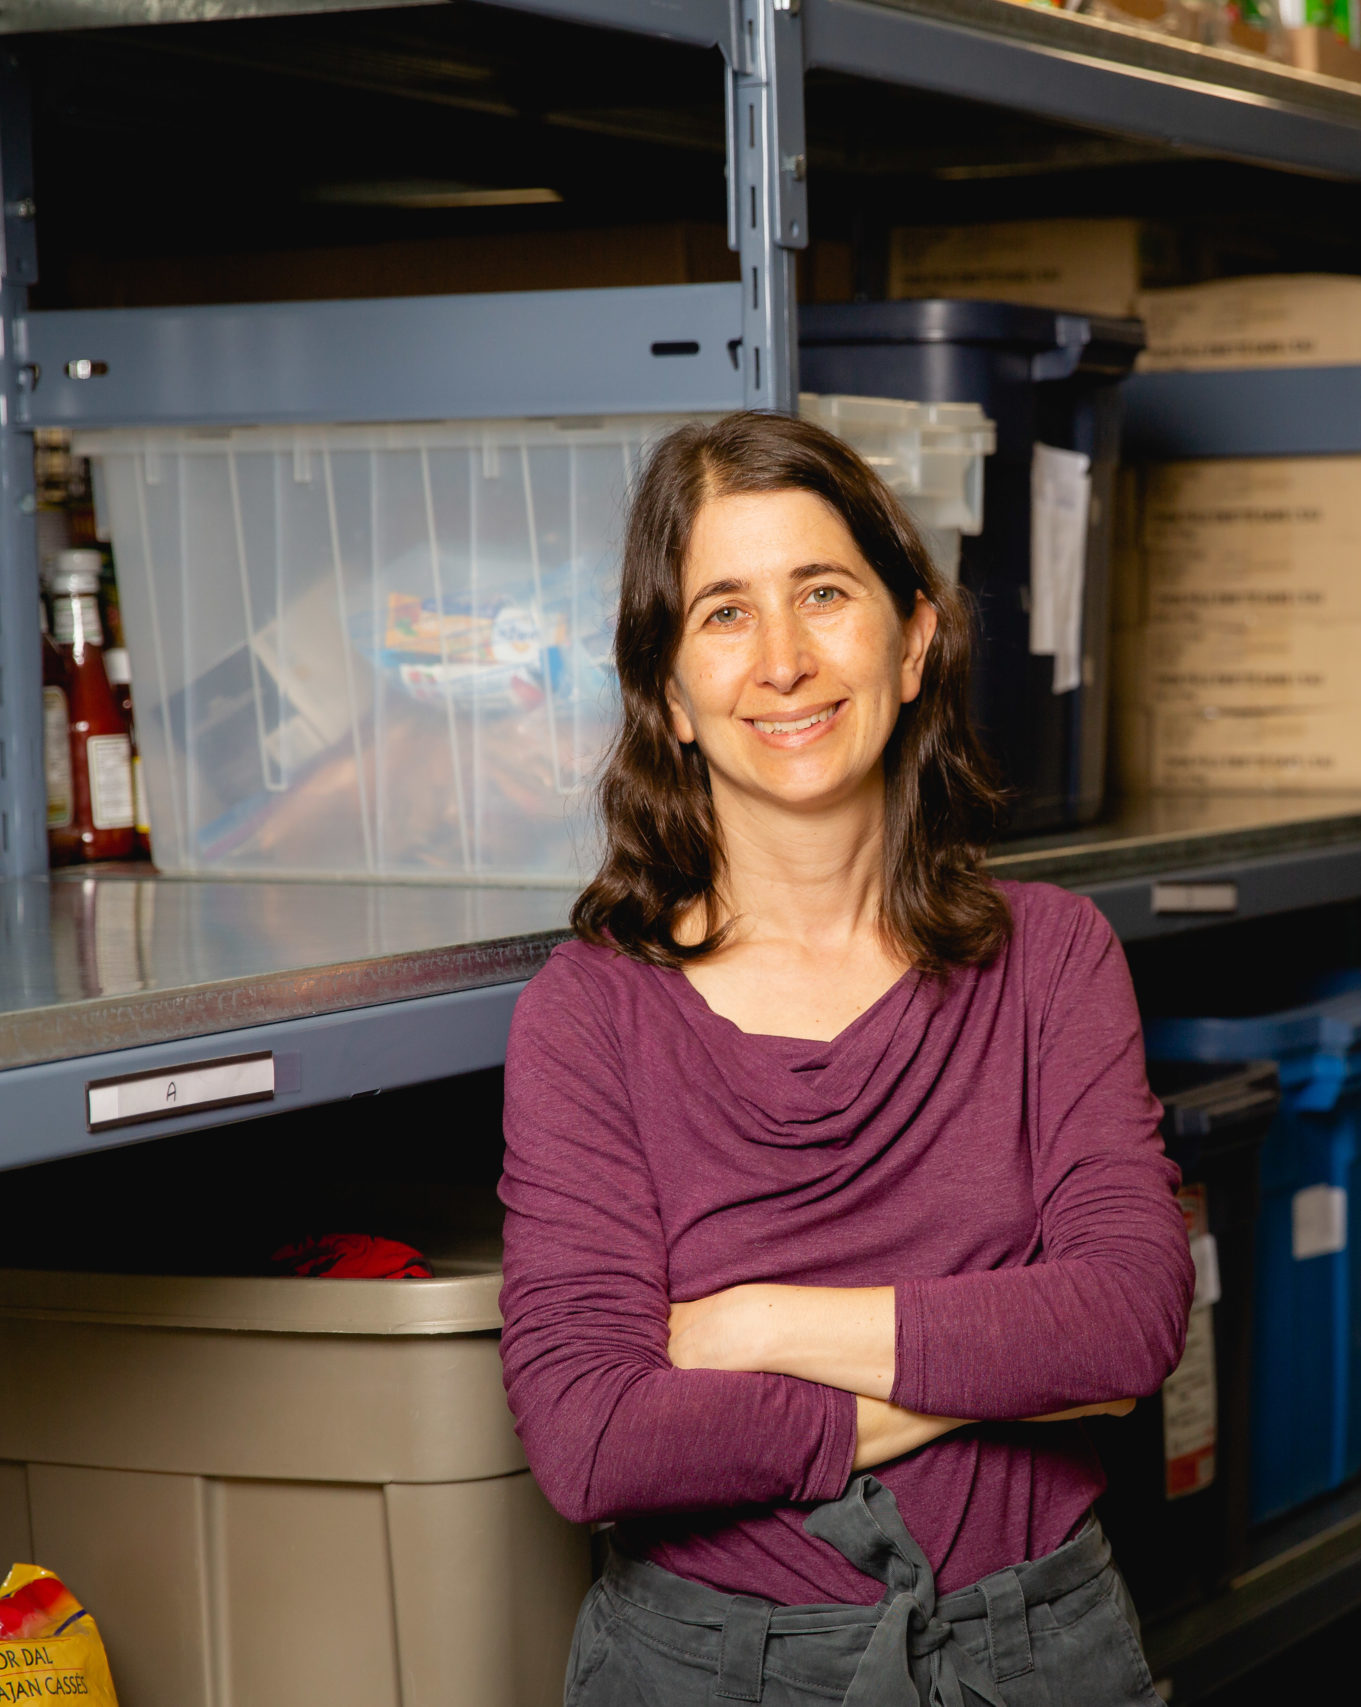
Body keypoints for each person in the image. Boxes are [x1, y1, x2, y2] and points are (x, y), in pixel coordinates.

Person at [499, 409, 1195, 1706]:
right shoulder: (591, 1016)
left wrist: (756, 1328)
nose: (783, 660)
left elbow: (1131, 1319)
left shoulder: (1050, 960)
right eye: (723, 612)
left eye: (824, 593)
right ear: (669, 697)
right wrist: (1003, 1370)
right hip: (711, 1671)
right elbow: (593, 1441)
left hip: (1044, 1652)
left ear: (914, 637)